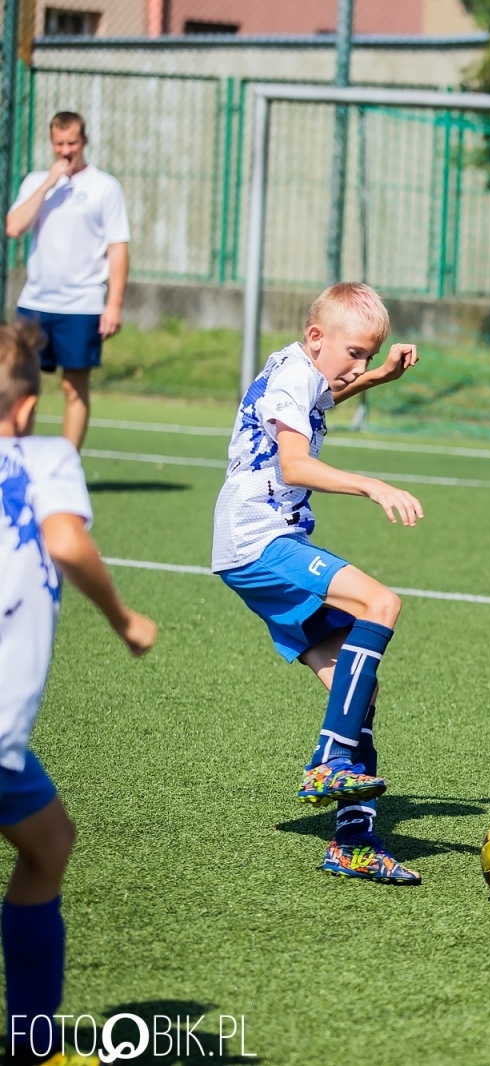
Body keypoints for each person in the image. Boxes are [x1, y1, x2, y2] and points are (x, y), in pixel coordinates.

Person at [212, 283, 425, 884]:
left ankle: (353, 842)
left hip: (264, 542)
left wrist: (378, 376)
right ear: (316, 337)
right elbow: (294, 465)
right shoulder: (290, 378)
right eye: (354, 352)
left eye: (367, 354)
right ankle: (329, 760)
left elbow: (325, 393)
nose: (355, 366)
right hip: (258, 537)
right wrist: (372, 484)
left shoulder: (301, 369)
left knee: (362, 693)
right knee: (380, 602)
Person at [0, 322, 156, 1066]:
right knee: (48, 847)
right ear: (28, 408)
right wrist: (124, 619)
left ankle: (34, 1041)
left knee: (50, 839)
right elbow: (64, 542)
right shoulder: (42, 454)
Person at [4, 112, 130, 451]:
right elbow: (14, 227)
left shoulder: (105, 187)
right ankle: (14, 458)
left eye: (72, 143)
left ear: (84, 142)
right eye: (59, 143)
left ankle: (67, 466)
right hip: (34, 303)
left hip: (82, 304)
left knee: (73, 388)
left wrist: (113, 304)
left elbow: (118, 248)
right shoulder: (35, 182)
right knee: (16, 383)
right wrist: (48, 184)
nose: (66, 150)